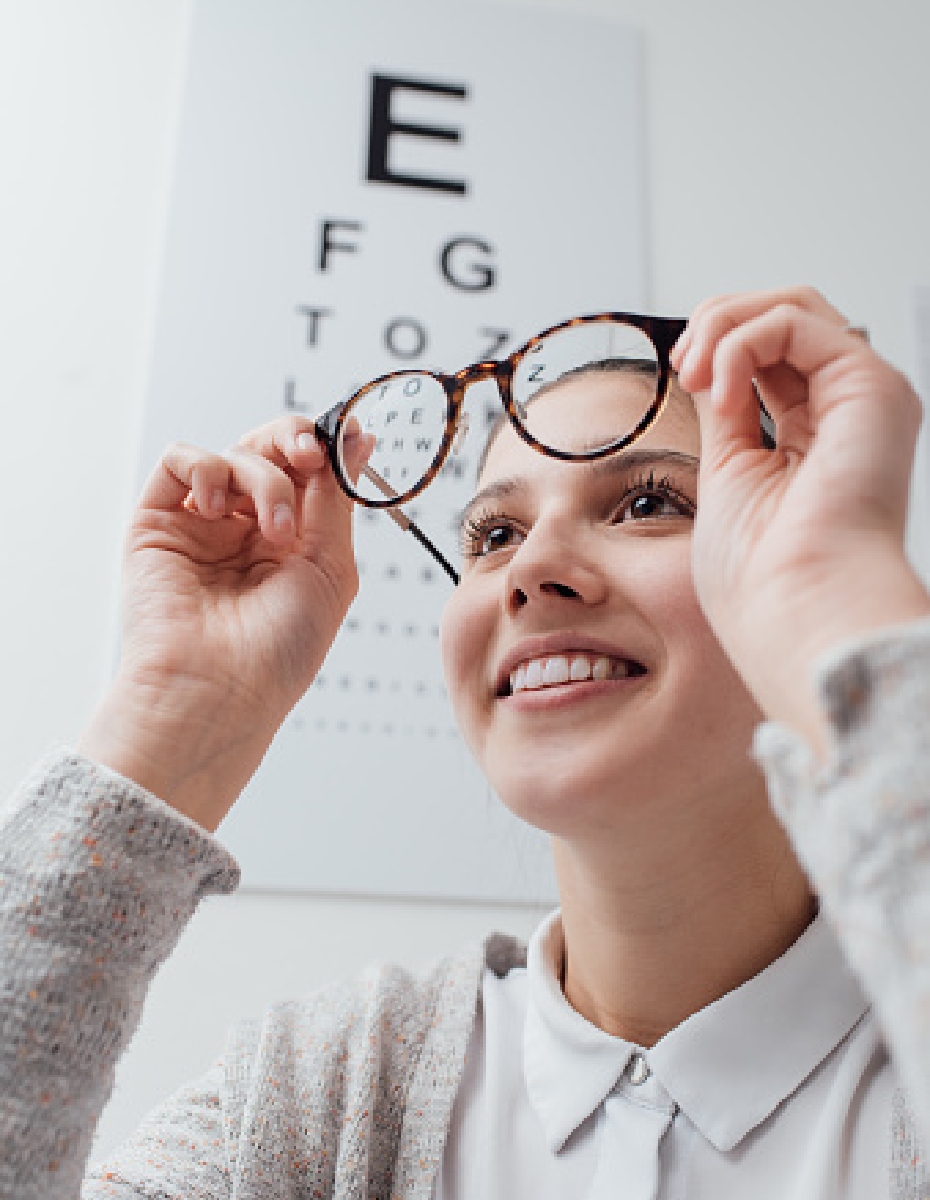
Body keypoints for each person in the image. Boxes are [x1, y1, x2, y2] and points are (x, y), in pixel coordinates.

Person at [2, 286, 930, 1200]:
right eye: (494, 533)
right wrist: (179, 710)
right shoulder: (320, 1093)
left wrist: (838, 604)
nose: (530, 571)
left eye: (647, 505)